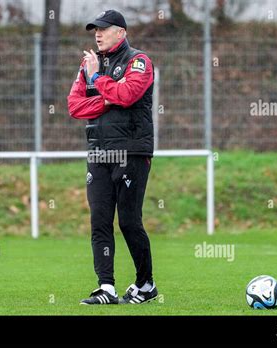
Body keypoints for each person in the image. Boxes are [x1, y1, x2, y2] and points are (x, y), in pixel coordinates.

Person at [67, 10, 157, 305]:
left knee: (129, 222)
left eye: (103, 29)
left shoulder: (138, 61)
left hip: (131, 151)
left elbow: (129, 94)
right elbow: (74, 106)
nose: (97, 34)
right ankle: (106, 287)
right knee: (100, 221)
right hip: (98, 153)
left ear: (121, 32)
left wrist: (97, 79)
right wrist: (107, 98)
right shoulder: (87, 64)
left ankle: (146, 285)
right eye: (95, 29)